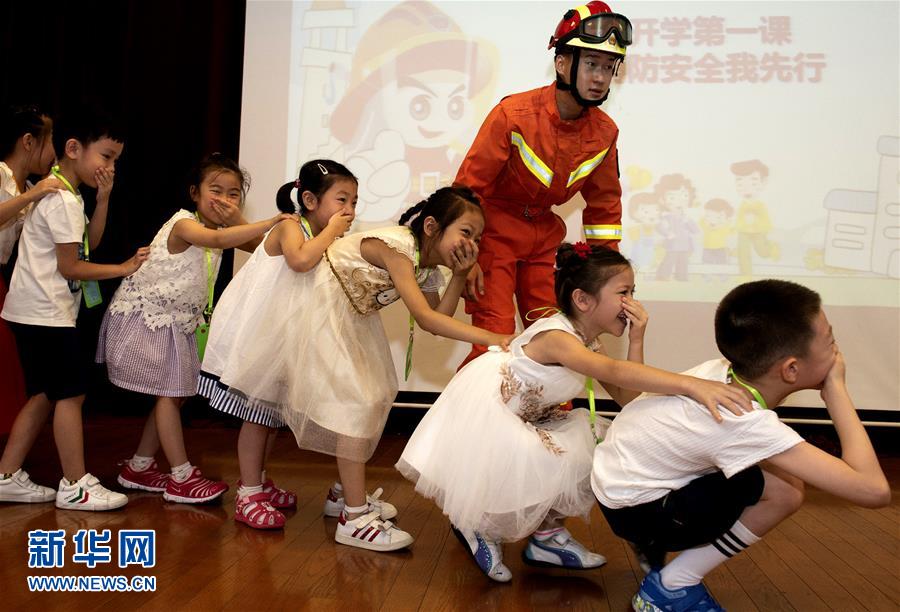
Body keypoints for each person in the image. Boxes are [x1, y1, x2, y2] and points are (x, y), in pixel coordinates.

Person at [397, 243, 752, 582]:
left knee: (599, 443)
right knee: (539, 459)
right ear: (582, 299)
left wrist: (638, 338)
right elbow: (614, 373)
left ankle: (547, 537)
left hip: (532, 418)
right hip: (492, 417)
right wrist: (692, 385)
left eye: (633, 291)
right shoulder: (558, 337)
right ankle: (476, 524)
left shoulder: (588, 340)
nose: (632, 303)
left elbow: (628, 397)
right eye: (624, 292)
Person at [216, 185, 511, 551]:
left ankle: (344, 495)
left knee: (374, 395)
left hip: (350, 317)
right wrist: (496, 337)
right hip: (318, 307)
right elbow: (428, 320)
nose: (473, 244)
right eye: (466, 233)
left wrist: (462, 275)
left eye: (478, 237)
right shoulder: (397, 247)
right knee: (356, 402)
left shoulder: (428, 265)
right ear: (432, 226)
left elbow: (437, 316)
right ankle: (354, 518)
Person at [593, 279, 891, 611]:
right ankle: (671, 586)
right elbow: (874, 490)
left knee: (778, 476)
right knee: (785, 490)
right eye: (831, 342)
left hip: (618, 490)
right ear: (791, 369)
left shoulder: (723, 371)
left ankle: (656, 555)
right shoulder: (743, 420)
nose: (837, 351)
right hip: (636, 511)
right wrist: (836, 389)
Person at [97, 153, 291, 504]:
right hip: (149, 320)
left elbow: (265, 251)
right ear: (194, 193)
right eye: (215, 190)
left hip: (178, 324)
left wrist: (252, 224)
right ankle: (181, 476)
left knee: (174, 394)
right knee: (170, 394)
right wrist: (272, 221)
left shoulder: (220, 229)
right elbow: (221, 241)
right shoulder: (184, 224)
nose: (225, 200)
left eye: (234, 194)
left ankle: (139, 466)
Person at [455, 1, 631, 367]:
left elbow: (604, 207)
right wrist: (466, 254)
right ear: (563, 63)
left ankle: (548, 420)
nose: (600, 78)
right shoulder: (513, 115)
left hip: (544, 241)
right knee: (494, 341)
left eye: (608, 68)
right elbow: (468, 188)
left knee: (556, 339)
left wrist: (609, 277)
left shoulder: (604, 132)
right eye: (592, 64)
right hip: (493, 237)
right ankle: (475, 423)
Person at [0, 106, 149, 509]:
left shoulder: (67, 194)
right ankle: (75, 484)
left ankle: (7, 474)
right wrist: (123, 268)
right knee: (72, 394)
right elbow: (72, 266)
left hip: (34, 310)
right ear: (73, 148)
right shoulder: (60, 197)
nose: (109, 166)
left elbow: (88, 244)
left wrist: (102, 200)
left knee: (46, 394)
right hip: (45, 312)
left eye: (115, 159)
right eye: (106, 156)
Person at [198, 159, 357, 529]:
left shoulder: (318, 233)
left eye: (353, 202)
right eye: (341, 200)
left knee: (271, 418)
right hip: (259, 337)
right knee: (256, 417)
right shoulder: (290, 225)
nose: (348, 211)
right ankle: (248, 493)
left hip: (283, 337)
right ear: (310, 200)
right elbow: (301, 262)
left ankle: (260, 480)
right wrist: (332, 232)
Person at [0, 105, 64, 434]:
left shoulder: (27, 189)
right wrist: (36, 194)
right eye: (50, 139)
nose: (54, 149)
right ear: (28, 141)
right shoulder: (1, 173)